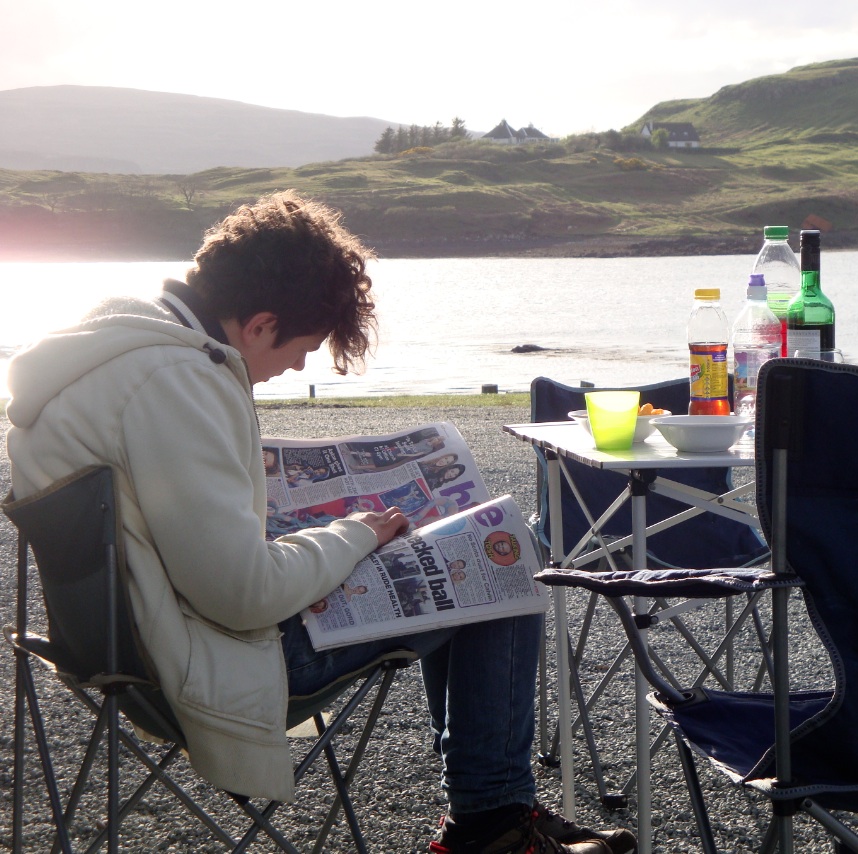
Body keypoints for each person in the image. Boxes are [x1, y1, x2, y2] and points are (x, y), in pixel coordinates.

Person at [4, 191, 635, 854]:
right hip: (202, 661)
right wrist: (355, 532)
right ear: (260, 323)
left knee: (464, 555)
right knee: (500, 556)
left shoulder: (113, 344)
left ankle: (494, 819)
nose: (296, 368)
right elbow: (243, 595)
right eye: (302, 349)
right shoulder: (176, 381)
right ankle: (490, 823)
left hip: (116, 646)